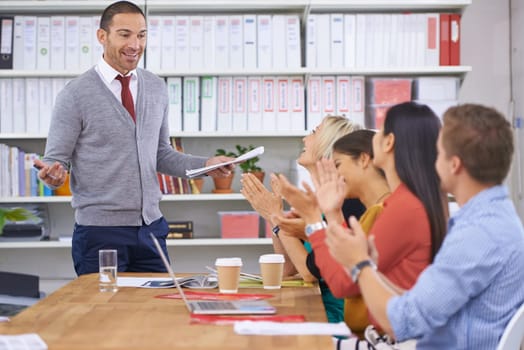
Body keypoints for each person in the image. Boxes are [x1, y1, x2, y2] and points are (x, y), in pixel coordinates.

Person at [33, 1, 233, 275]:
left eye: (141, 35)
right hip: (99, 234)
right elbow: (55, 160)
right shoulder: (75, 94)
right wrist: (53, 175)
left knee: (154, 314)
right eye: (125, 34)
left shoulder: (156, 87)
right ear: (102, 36)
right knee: (104, 316)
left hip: (151, 230)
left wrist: (207, 163)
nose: (135, 44)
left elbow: (161, 154)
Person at [326, 103, 524, 349]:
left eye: (437, 153)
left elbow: (403, 322)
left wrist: (360, 266)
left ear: (454, 165)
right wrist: (370, 269)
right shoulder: (489, 220)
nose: (430, 161)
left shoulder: (478, 234)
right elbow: (417, 305)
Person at [276, 102, 448, 338]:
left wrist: (315, 221)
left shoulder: (402, 208)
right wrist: (332, 213)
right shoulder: (403, 202)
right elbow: (345, 269)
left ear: (388, 143)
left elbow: (342, 283)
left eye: (381, 131)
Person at [240, 115, 365, 323]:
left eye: (314, 132)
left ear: (329, 144)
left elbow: (309, 273)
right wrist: (274, 219)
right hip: (314, 307)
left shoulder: (346, 203)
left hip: (334, 318)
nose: (305, 139)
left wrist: (276, 216)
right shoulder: (320, 200)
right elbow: (290, 269)